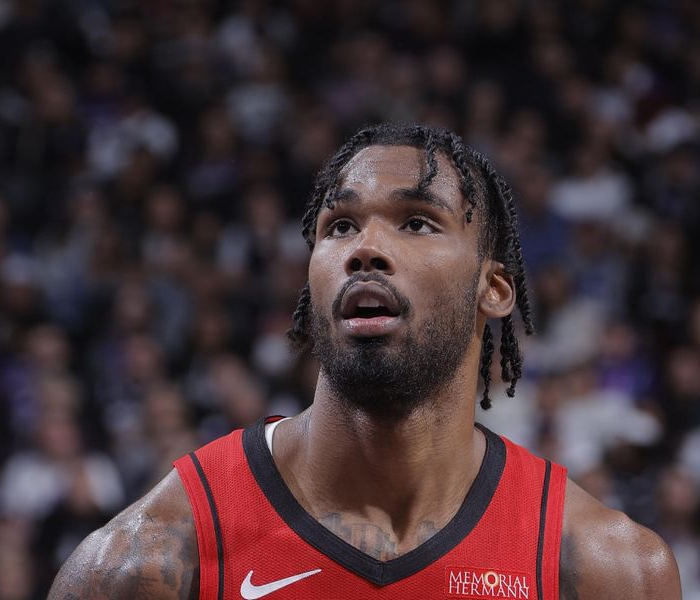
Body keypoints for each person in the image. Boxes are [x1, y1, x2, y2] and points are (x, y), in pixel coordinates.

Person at [47, 124, 681, 599]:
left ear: (494, 289)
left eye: (417, 222)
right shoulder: (147, 562)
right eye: (341, 226)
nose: (366, 249)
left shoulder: (605, 567)